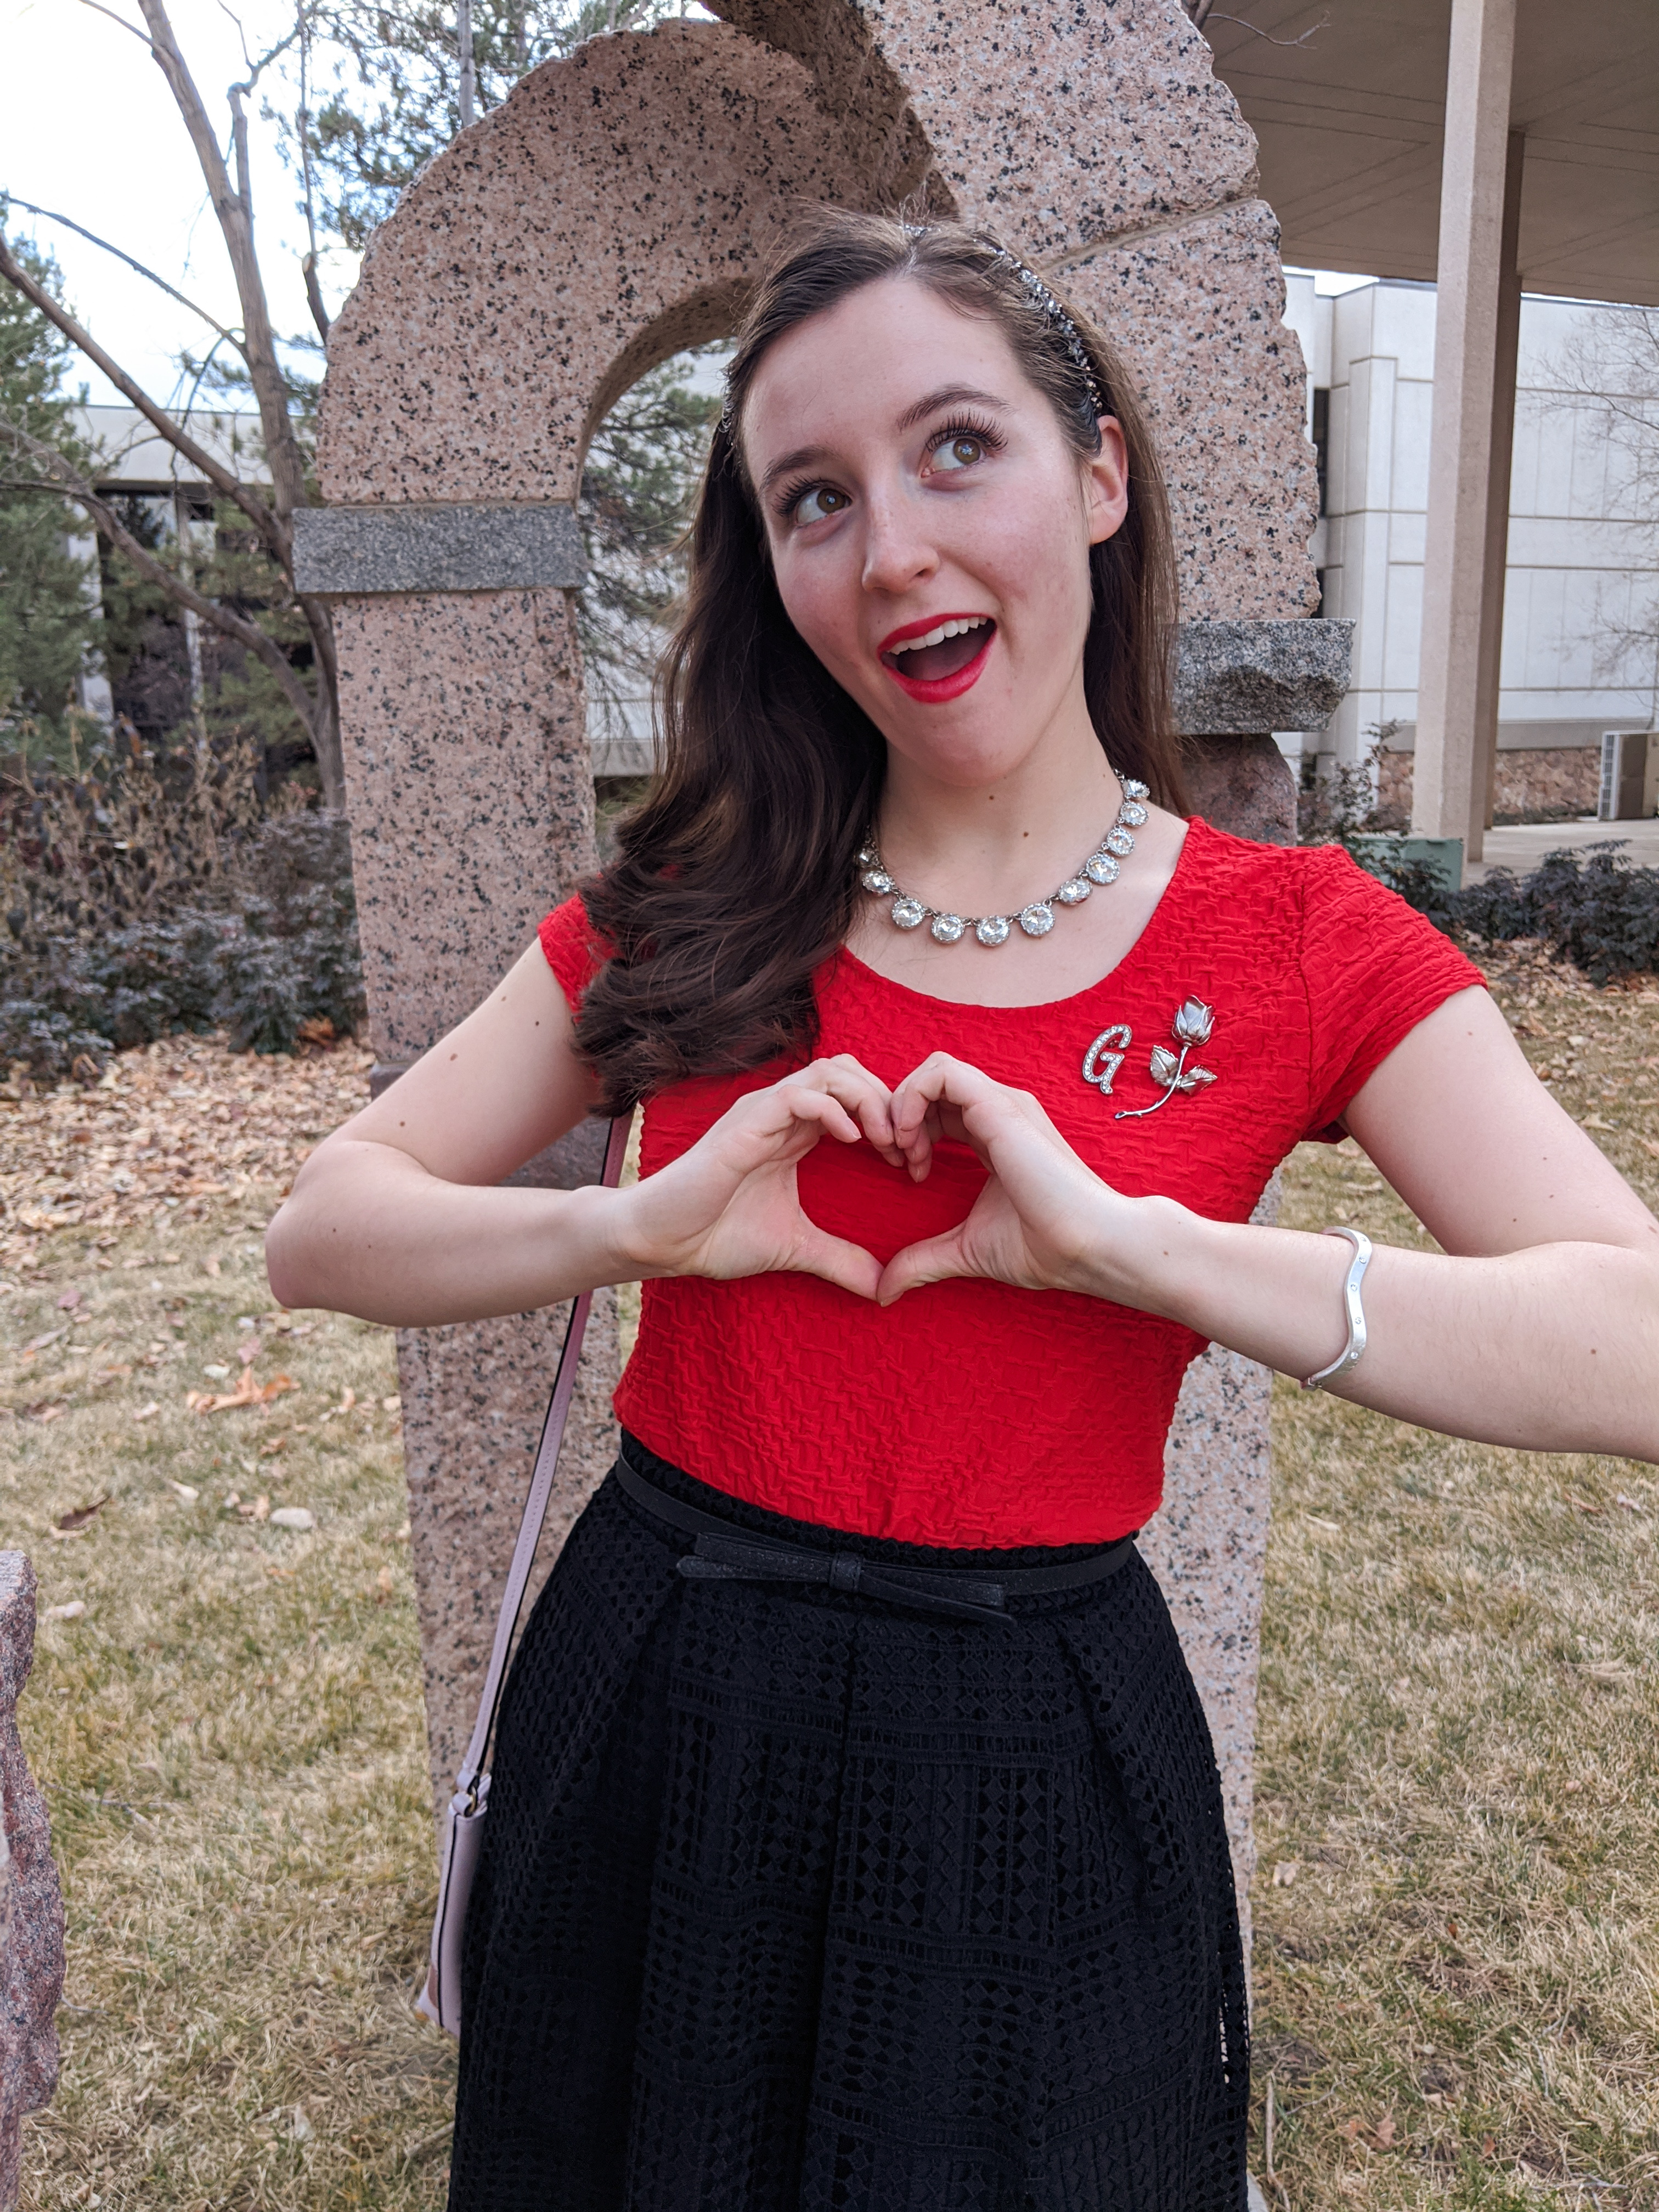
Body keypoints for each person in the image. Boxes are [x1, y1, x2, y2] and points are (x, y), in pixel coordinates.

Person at [267, 210, 1659, 2211]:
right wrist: (633, 1234)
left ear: (1097, 475)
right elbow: (326, 1227)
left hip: (1038, 1758)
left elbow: (1629, 1341)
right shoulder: (697, 904)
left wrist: (1135, 1248)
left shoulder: (1295, 942)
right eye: (813, 499)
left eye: (955, 449)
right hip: (665, 1698)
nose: (893, 548)